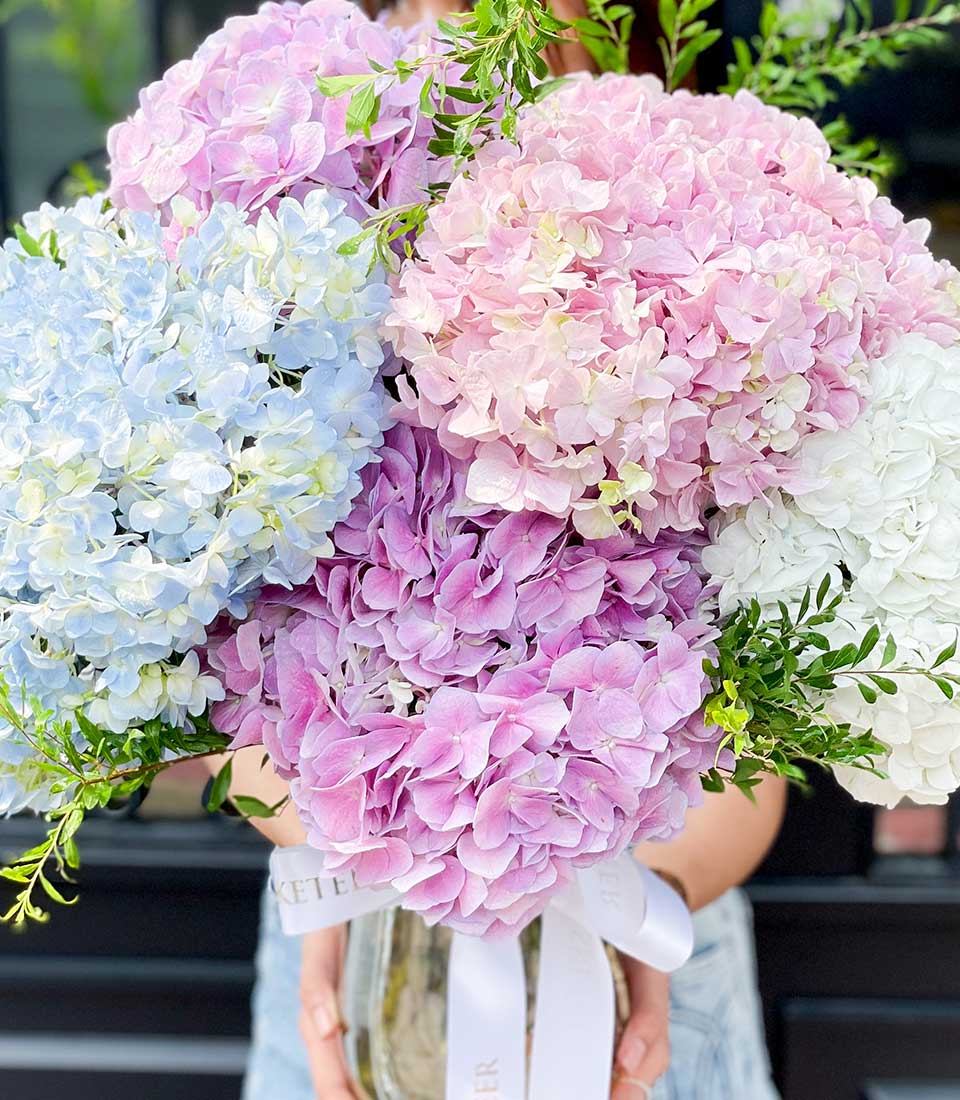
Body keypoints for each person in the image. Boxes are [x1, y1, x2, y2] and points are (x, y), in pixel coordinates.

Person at [214, 2, 787, 1096]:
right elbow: (238, 690)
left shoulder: (720, 275)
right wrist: (358, 857)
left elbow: (762, 752)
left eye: (534, 13)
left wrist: (628, 910)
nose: (472, 40)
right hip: (355, 937)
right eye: (436, 13)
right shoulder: (306, 265)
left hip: (657, 935)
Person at [211, 748, 785, 1100]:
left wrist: (649, 907)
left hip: (653, 912)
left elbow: (754, 742)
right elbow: (232, 705)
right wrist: (334, 867)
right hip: (357, 949)